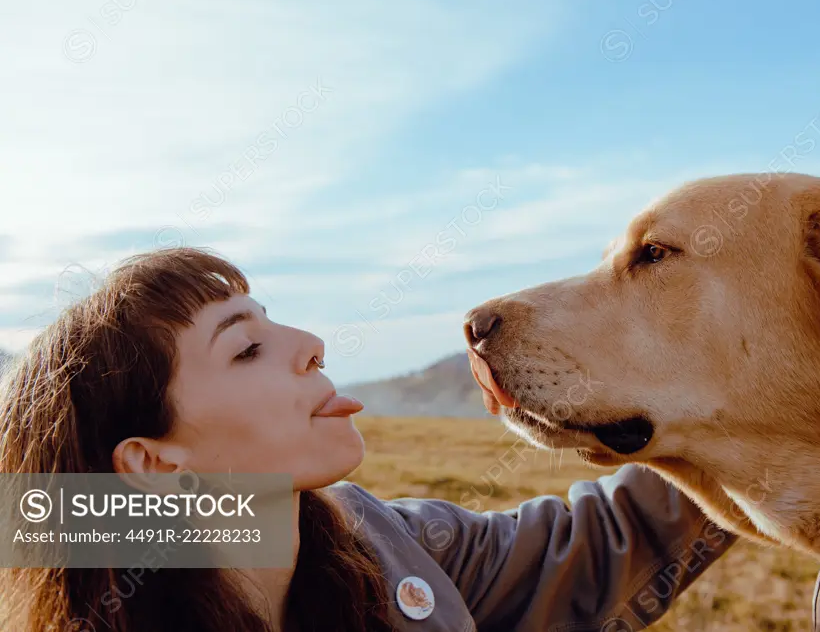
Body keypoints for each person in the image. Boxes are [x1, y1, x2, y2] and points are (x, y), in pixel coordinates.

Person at [0, 247, 736, 632]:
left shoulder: (391, 546)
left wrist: (752, 415)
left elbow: (592, 546)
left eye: (272, 319)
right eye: (246, 347)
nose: (313, 343)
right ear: (156, 464)